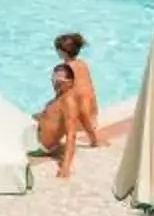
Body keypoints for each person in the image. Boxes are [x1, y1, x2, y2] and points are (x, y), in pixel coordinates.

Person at [36, 32, 103, 174]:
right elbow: (84, 98)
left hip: (76, 114)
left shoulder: (66, 71)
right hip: (91, 111)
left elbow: (71, 134)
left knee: (58, 110)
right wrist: (93, 139)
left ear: (61, 52)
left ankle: (50, 145)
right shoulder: (82, 65)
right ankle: (94, 140)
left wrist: (65, 167)